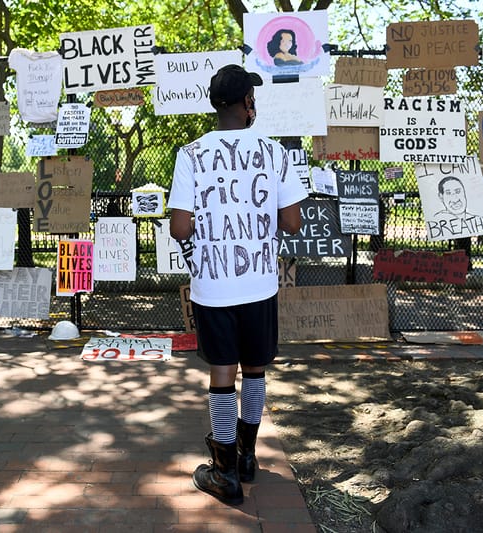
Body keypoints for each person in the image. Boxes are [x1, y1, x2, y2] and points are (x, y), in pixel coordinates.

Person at [168, 64, 307, 505]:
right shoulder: (275, 154)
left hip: (213, 283)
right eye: (253, 97)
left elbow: (179, 227)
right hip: (260, 283)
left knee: (222, 371)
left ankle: (225, 471)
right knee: (256, 368)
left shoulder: (189, 154)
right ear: (247, 102)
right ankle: (248, 456)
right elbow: (292, 221)